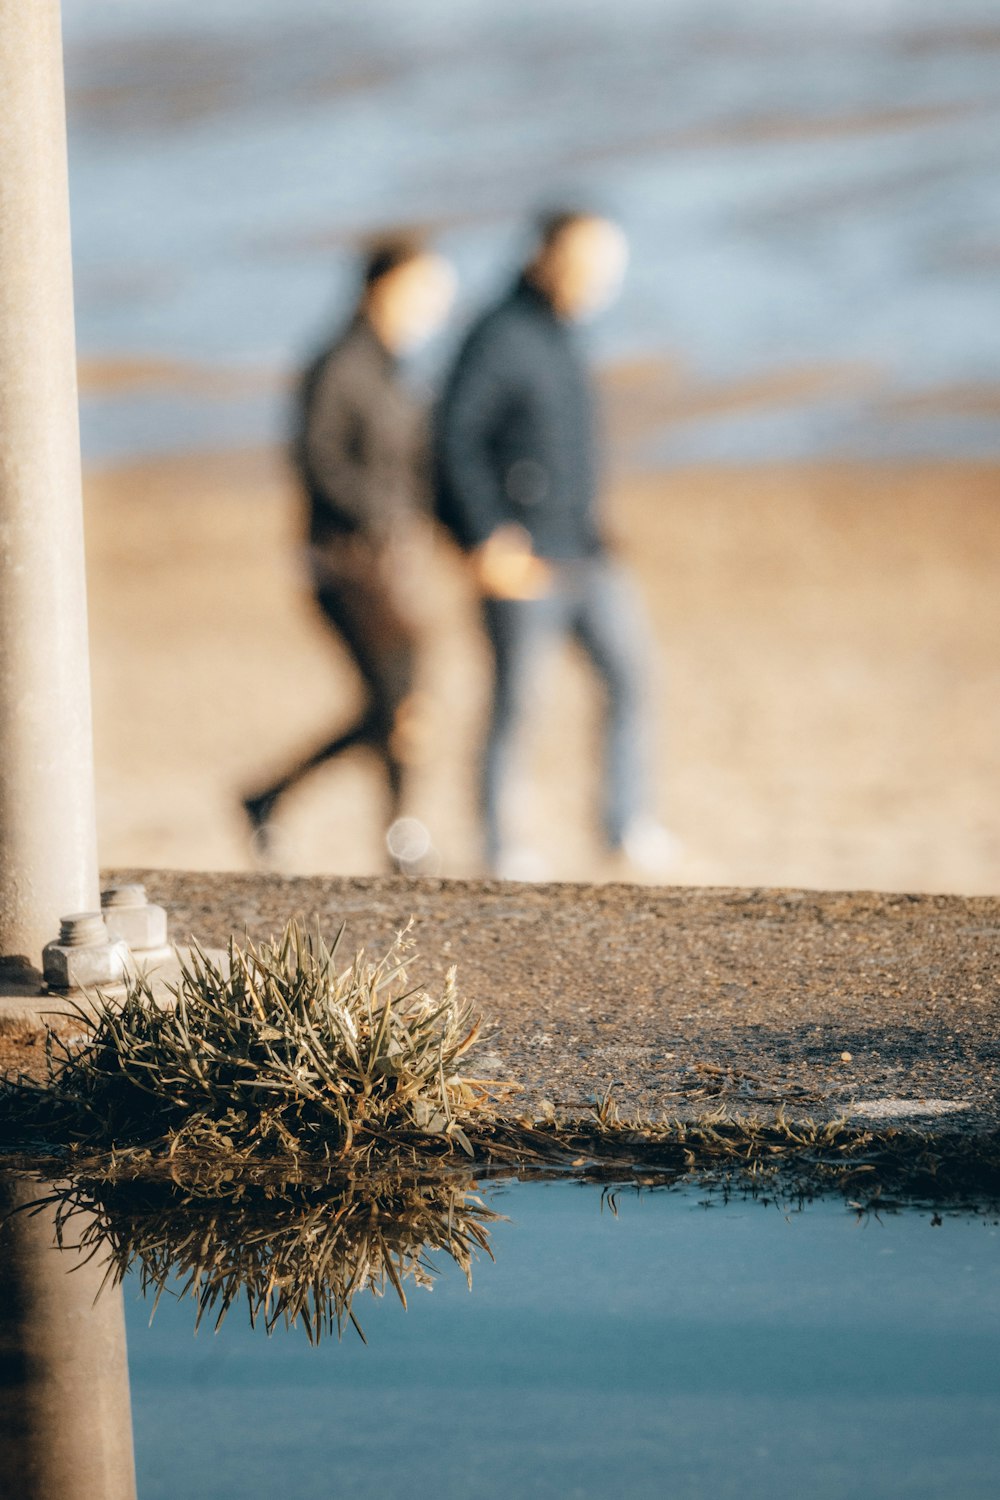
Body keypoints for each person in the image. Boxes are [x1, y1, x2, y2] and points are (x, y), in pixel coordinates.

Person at [434, 209, 677, 879]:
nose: (597, 281)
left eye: (607, 269)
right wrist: (482, 535)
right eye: (585, 264)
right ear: (543, 256)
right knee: (518, 701)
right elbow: (453, 439)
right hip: (522, 555)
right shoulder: (499, 334)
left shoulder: (565, 332)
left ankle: (626, 826)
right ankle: (501, 844)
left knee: (631, 678)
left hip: (586, 549)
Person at [242, 235, 455, 867]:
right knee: (397, 702)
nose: (435, 307)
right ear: (383, 286)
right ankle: (398, 837)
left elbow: (418, 471)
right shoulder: (336, 365)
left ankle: (278, 800)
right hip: (346, 565)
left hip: (395, 565)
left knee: (400, 704)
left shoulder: (395, 370)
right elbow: (318, 461)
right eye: (426, 291)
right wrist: (380, 518)